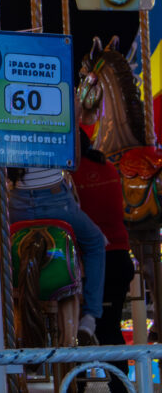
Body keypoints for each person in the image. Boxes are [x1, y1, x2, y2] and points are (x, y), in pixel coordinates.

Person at [8, 158, 106, 345]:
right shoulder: (50, 127)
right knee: (95, 242)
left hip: (17, 204)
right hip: (56, 200)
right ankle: (90, 317)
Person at [72, 129, 134, 391]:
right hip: (120, 258)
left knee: (85, 332)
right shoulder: (107, 166)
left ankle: (88, 386)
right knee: (110, 329)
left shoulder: (72, 176)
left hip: (97, 262)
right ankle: (119, 386)